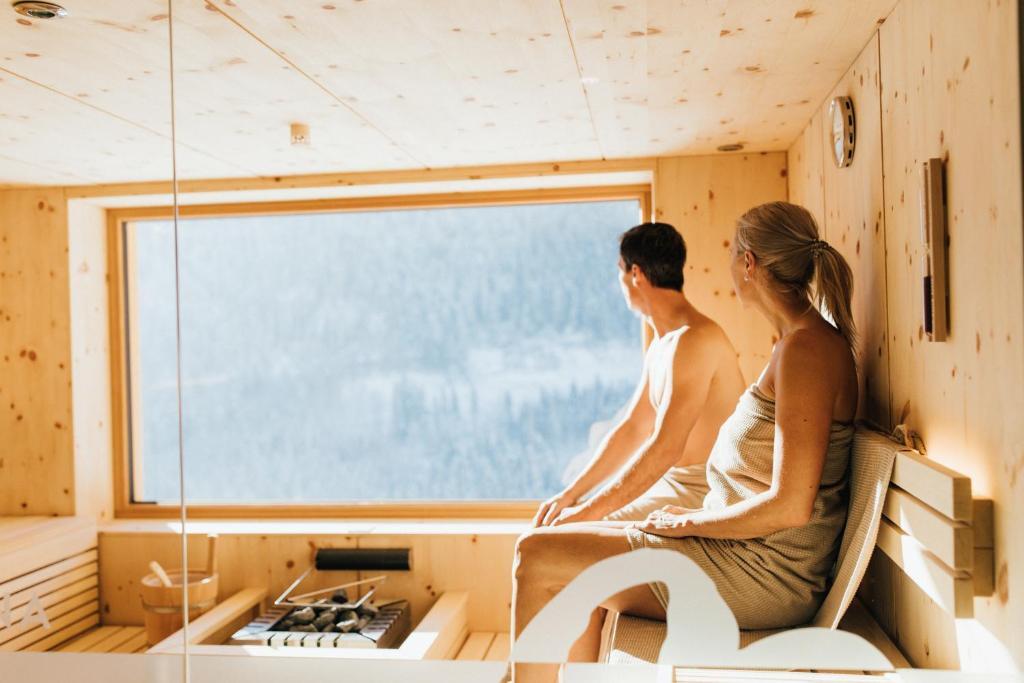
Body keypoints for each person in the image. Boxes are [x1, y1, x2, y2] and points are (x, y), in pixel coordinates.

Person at [512, 202, 858, 683]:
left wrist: (691, 522)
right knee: (560, 555)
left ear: (749, 263)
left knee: (535, 555)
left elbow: (791, 506)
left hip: (766, 575)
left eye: (733, 253)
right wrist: (577, 499)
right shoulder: (794, 347)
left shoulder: (807, 350)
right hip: (744, 555)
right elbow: (633, 429)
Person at [533, 221, 745, 528]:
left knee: (552, 539)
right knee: (554, 528)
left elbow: (666, 448)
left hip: (701, 492)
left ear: (636, 274)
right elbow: (633, 428)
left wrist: (587, 513)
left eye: (619, 271)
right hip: (671, 485)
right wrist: (570, 495)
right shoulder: (662, 344)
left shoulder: (695, 340)